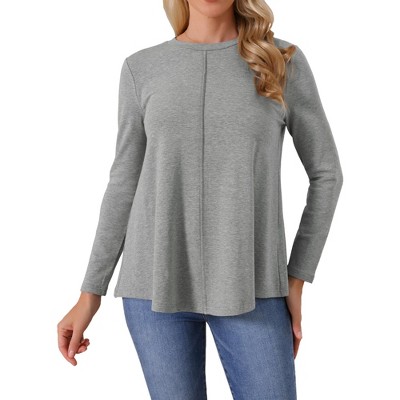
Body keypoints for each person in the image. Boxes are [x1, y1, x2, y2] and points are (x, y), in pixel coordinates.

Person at [57, 0, 344, 399]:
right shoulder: (141, 68)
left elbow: (327, 174)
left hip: (253, 285)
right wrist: (91, 292)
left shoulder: (280, 61)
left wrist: (296, 279)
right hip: (154, 287)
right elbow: (123, 183)